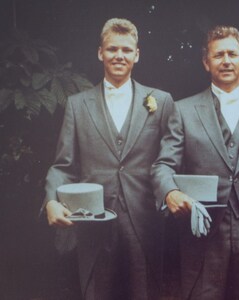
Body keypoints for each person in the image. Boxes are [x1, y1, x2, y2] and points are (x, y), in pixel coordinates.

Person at [42, 18, 174, 299]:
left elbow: (170, 161)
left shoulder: (161, 102)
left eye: (126, 50)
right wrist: (52, 200)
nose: (119, 56)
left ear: (137, 54)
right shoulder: (78, 105)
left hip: (145, 223)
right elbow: (63, 165)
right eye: (112, 49)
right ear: (100, 53)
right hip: (93, 223)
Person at [151, 25, 239, 300]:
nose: (226, 61)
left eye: (232, 54)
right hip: (202, 231)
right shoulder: (183, 110)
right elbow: (163, 164)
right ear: (205, 62)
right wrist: (170, 192)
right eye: (218, 54)